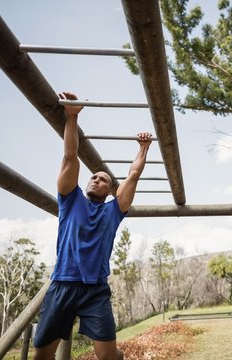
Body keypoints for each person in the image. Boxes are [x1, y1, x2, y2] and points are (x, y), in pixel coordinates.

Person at [33, 92, 153, 360]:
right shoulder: (70, 200)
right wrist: (72, 116)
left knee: (109, 357)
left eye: (102, 179)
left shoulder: (114, 211)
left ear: (111, 189)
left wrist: (144, 147)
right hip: (62, 284)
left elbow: (133, 175)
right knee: (42, 356)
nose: (95, 180)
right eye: (93, 177)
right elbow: (70, 155)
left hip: (95, 289)